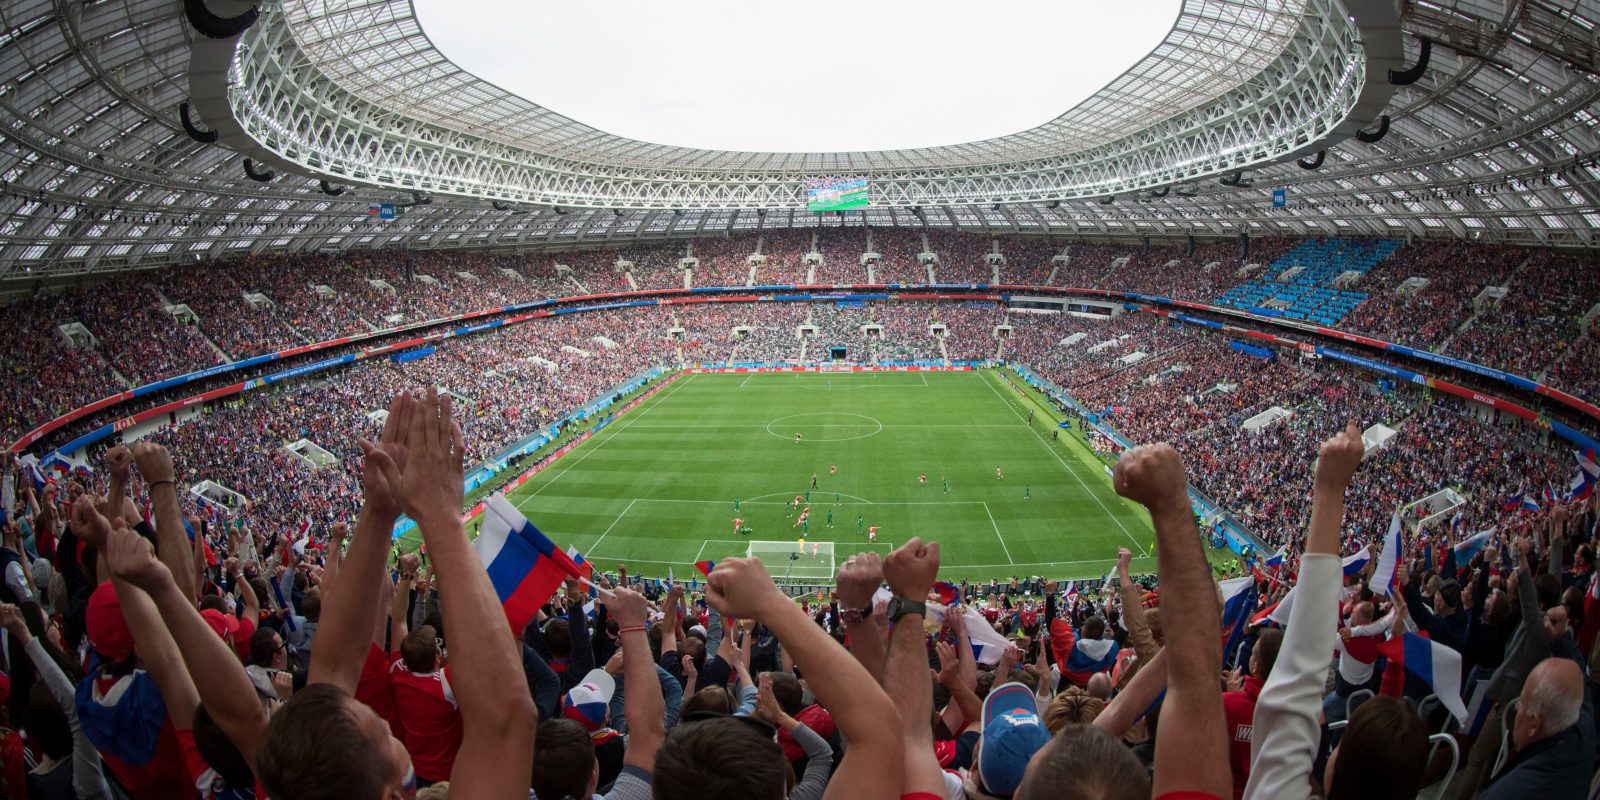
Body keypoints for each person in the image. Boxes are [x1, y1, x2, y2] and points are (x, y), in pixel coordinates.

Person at [258, 389, 535, 799]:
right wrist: (441, 516)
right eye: (384, 733)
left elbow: (332, 671)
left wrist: (380, 510)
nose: (390, 728)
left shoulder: (291, 780)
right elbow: (508, 719)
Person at [1477, 656, 1593, 799]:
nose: (1517, 711)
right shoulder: (1583, 736)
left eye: (1519, 707)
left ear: (1534, 724)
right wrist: (1560, 639)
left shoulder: (1508, 792)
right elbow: (1583, 689)